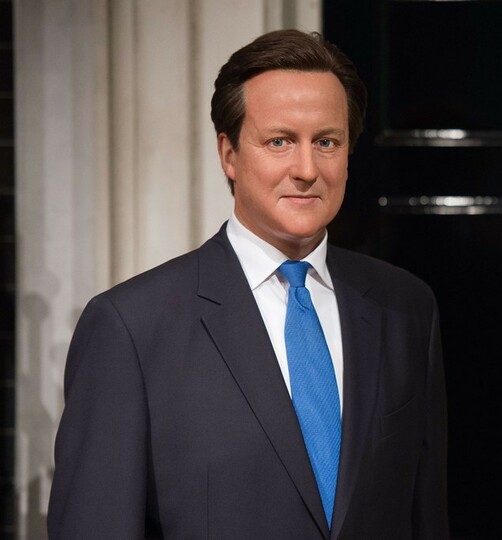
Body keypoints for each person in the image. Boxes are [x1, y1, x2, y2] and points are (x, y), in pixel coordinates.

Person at [47, 29, 448, 539]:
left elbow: (424, 517)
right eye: (280, 141)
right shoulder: (132, 328)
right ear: (229, 154)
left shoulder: (406, 309)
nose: (307, 169)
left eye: (326, 142)